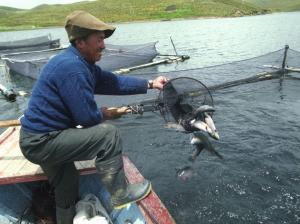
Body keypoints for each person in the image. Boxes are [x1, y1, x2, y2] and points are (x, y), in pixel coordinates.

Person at [19, 10, 167, 224]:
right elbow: (87, 118)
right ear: (80, 42)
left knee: (67, 183)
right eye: (99, 39)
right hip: (42, 142)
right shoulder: (73, 69)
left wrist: (150, 84)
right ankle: (120, 194)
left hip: (39, 139)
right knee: (108, 135)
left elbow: (113, 83)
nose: (104, 45)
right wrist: (104, 114)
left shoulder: (80, 63)